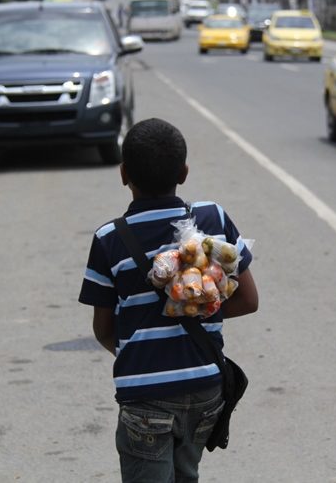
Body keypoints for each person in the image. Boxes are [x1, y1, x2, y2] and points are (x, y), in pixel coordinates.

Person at [78, 118, 259, 483]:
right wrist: (202, 304)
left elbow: (103, 329)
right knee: (185, 475)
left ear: (124, 173)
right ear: (184, 172)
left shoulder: (109, 239)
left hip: (145, 397)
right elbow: (248, 300)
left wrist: (144, 354)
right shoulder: (213, 219)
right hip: (206, 388)